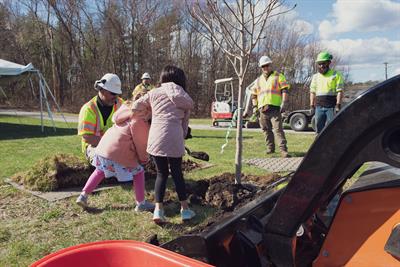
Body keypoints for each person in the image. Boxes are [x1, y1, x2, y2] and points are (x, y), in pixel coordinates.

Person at [135, 65, 195, 224]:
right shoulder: (184, 97)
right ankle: (185, 210)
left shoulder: (153, 92)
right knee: (177, 174)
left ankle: (158, 211)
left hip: (156, 138)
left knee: (161, 174)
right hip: (174, 138)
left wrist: (147, 113)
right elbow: (184, 125)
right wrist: (181, 138)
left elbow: (135, 107)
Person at [76, 99, 155, 212]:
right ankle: (141, 203)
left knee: (100, 171)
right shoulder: (140, 120)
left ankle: (83, 196)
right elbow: (141, 142)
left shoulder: (125, 111)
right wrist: (144, 159)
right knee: (139, 172)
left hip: (104, 148)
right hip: (118, 152)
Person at [245, 55, 290, 158]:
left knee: (278, 129)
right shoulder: (258, 80)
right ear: (261, 67)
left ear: (270, 65)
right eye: (263, 66)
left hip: (274, 108)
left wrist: (284, 102)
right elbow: (254, 95)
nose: (265, 68)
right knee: (266, 130)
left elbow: (285, 90)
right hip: (262, 110)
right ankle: (270, 148)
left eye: (267, 65)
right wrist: (255, 107)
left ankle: (283, 150)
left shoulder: (279, 76)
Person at [78, 73, 124, 162]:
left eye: (117, 94)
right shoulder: (88, 109)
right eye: (113, 93)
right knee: (104, 161)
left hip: (114, 145)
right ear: (102, 90)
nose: (115, 97)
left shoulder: (120, 104)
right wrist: (110, 144)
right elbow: (87, 137)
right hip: (93, 147)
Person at [310, 51, 344, 134]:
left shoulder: (336, 75)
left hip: (331, 107)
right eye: (319, 64)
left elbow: (339, 91)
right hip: (319, 107)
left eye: (323, 63)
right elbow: (312, 92)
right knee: (318, 129)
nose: (321, 66)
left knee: (331, 129)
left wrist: (338, 105)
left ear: (329, 63)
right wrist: (311, 105)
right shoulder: (315, 77)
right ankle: (319, 146)